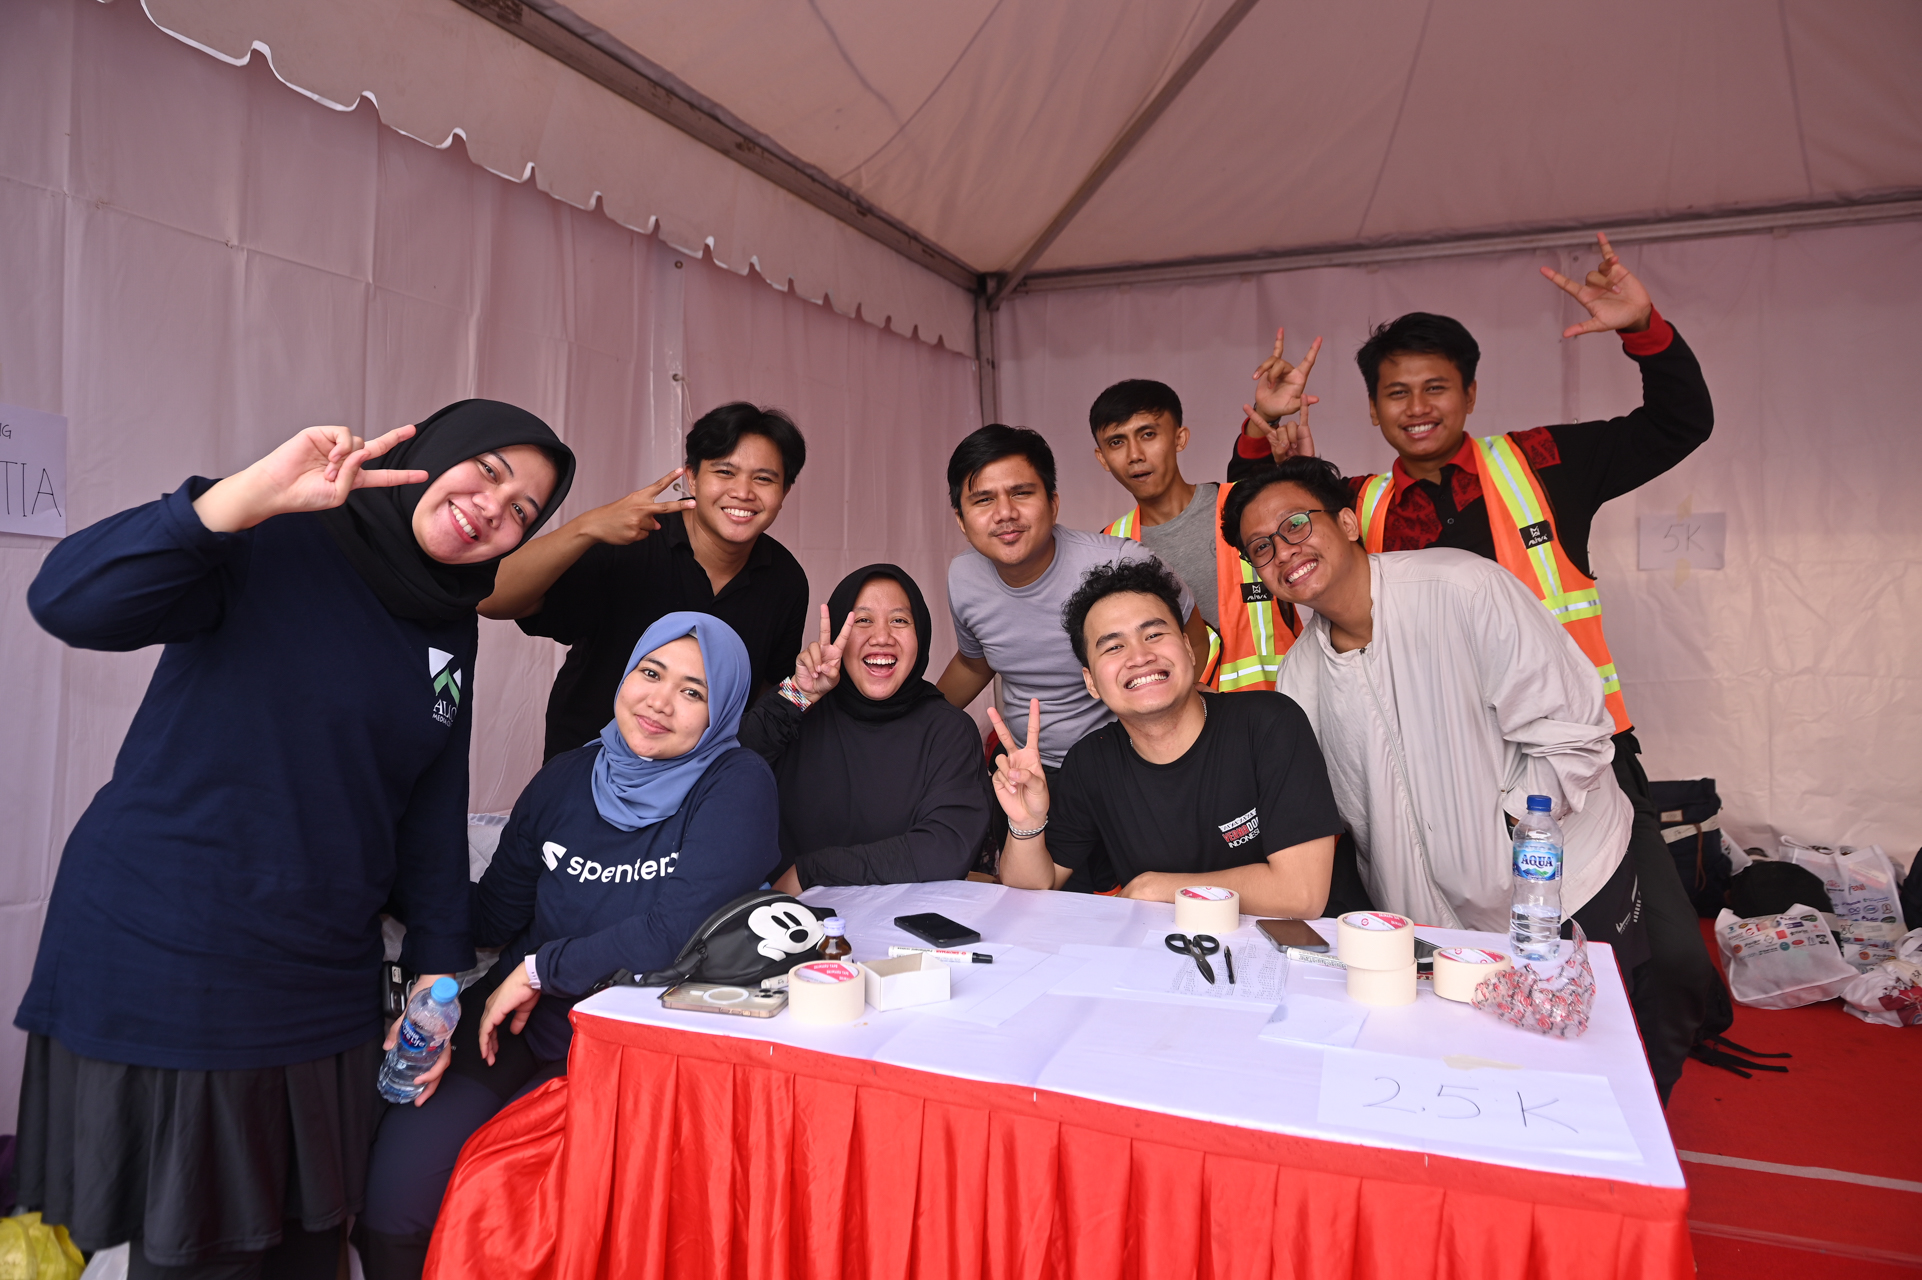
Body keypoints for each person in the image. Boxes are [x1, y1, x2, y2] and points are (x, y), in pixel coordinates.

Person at [14, 402, 575, 1280]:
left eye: (523, 512)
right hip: (181, 948)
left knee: (310, 1245)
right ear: (432, 453)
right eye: (490, 472)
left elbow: (430, 806)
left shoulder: (448, 617)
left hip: (323, 973)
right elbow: (69, 601)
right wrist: (236, 499)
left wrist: (436, 973)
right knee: (201, 1250)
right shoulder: (281, 533)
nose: (493, 509)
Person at [1230, 235, 1718, 1095]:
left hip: (1577, 760)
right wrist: (1261, 430)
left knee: (1668, 969)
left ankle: (1633, 1110)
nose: (1417, 409)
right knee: (1475, 1006)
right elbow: (1268, 521)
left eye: (1436, 388)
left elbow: (1679, 424)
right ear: (1372, 410)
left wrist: (1642, 328)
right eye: (1396, 393)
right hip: (1430, 794)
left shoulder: (1538, 465)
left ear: (1470, 394)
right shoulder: (1357, 504)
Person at [359, 613, 776, 1279]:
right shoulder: (566, 777)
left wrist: (540, 970)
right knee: (396, 1205)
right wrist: (377, 870)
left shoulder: (737, 782)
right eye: (650, 672)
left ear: (720, 708)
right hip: (514, 1026)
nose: (660, 701)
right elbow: (494, 916)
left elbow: (677, 932)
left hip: (637, 1048)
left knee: (536, 1219)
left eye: (692, 691)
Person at [991, 558, 1347, 916]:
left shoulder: (1269, 724)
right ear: (1091, 682)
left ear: (1189, 650)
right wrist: (1025, 825)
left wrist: (1158, 888)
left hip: (1294, 945)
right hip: (1169, 948)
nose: (1140, 657)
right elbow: (1032, 889)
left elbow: (1301, 895)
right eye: (1113, 647)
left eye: (1153, 635)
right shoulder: (1091, 763)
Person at [936, 425, 1204, 890]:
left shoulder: (1121, 562)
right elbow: (975, 662)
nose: (1005, 513)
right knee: (1036, 905)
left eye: (1022, 493)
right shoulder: (964, 578)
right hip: (1028, 774)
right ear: (961, 518)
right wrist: (919, 721)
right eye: (983, 500)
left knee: (1141, 901)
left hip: (1125, 769)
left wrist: (1164, 735)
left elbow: (1190, 638)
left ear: (1054, 502)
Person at [483, 402, 810, 760]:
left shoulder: (787, 581)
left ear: (784, 491)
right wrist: (587, 527)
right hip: (590, 766)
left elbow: (767, 692)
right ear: (692, 477)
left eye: (763, 479)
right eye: (725, 472)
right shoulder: (629, 542)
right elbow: (490, 596)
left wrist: (806, 690)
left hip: (704, 779)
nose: (743, 492)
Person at [738, 565, 992, 892]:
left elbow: (946, 848)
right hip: (788, 915)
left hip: (902, 916)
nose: (882, 637)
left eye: (899, 620)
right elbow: (727, 771)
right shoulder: (797, 708)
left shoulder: (949, 731)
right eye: (862, 620)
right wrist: (796, 694)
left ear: (921, 635)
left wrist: (811, 872)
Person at [1090, 376, 1307, 691]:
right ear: (1102, 458)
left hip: (1283, 707)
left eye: (1148, 434)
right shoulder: (1109, 546)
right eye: (1116, 442)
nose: (1135, 454)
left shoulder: (1245, 507)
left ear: (1180, 439)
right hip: (1188, 719)